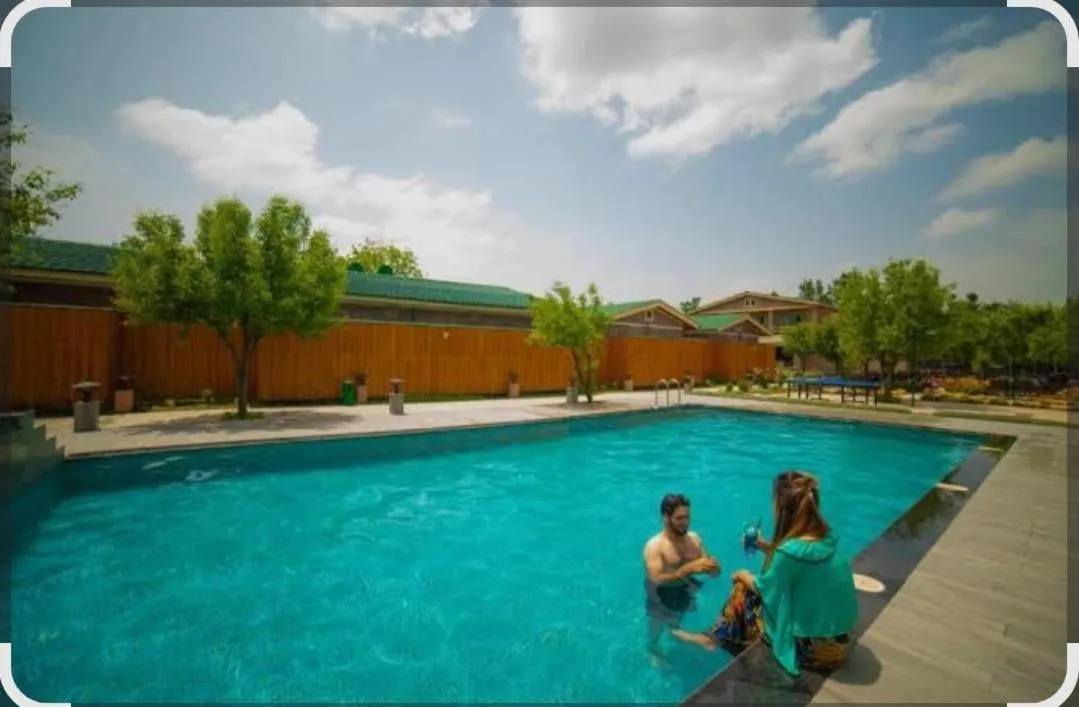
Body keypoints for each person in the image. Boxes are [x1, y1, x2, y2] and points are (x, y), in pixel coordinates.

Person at [672, 471, 859, 676]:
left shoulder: (788, 554)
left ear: (782, 508)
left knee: (743, 589)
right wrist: (766, 547)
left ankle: (713, 638)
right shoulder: (826, 538)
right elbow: (798, 566)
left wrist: (742, 574)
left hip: (814, 652)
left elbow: (766, 588)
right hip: (839, 643)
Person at [642, 493, 719, 659]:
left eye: (687, 517)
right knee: (657, 624)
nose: (685, 522)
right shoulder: (655, 547)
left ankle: (679, 634)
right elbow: (655, 578)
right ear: (665, 518)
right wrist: (685, 571)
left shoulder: (695, 540)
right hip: (661, 592)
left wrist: (714, 568)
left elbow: (711, 572)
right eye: (679, 518)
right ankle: (652, 650)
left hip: (686, 588)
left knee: (677, 621)